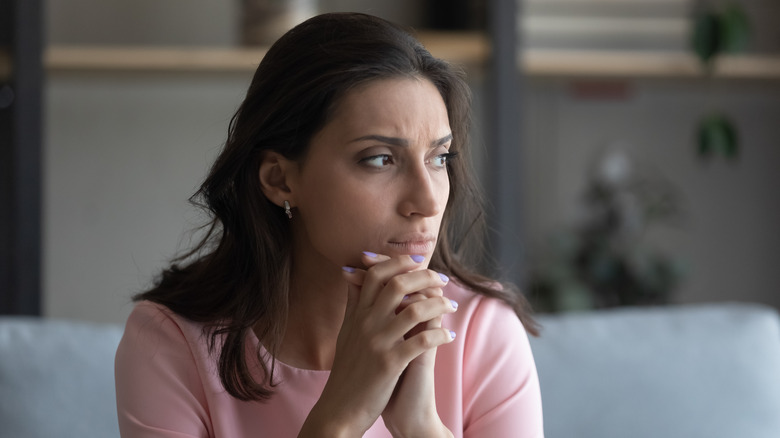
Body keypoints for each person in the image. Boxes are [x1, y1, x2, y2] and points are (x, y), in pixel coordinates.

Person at [115, 12, 543, 438]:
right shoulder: (170, 342)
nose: (428, 201)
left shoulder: (483, 330)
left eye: (438, 158)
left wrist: (420, 427)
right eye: (380, 159)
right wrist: (341, 417)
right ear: (279, 180)